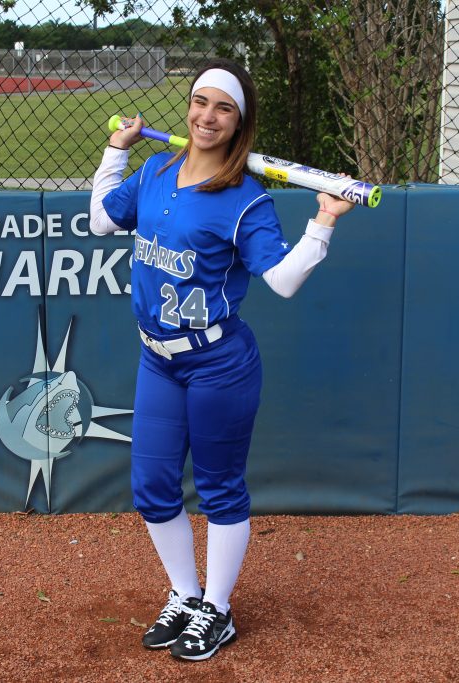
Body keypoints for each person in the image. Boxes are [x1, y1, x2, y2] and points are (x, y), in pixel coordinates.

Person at [88, 58, 355, 661]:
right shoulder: (156, 170)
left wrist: (323, 220)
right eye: (201, 102)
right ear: (189, 107)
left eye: (223, 108)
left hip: (218, 363)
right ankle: (185, 594)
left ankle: (219, 608)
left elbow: (283, 282)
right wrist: (115, 150)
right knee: (153, 486)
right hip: (158, 359)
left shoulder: (246, 200)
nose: (207, 116)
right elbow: (102, 219)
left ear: (239, 123)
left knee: (218, 488)